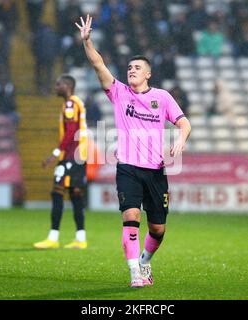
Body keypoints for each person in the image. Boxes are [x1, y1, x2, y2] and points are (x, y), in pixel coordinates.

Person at [75, 15, 191, 287]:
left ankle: (145, 261)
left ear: (148, 73)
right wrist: (88, 41)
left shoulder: (162, 97)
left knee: (158, 229)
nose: (131, 70)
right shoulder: (118, 92)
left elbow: (184, 123)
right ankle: (134, 273)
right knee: (130, 218)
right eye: (129, 67)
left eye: (137, 67)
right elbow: (98, 63)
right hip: (127, 167)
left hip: (155, 171)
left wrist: (181, 138)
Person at [34, 74, 89, 249]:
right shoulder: (75, 102)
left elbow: (71, 131)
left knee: (57, 192)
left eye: (59, 85)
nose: (56, 87)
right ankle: (80, 239)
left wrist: (55, 153)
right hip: (80, 156)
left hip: (71, 156)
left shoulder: (71, 104)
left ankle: (53, 237)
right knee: (75, 195)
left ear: (67, 86)